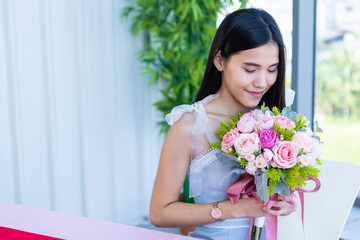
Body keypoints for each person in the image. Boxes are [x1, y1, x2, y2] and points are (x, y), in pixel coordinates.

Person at [149, 8, 296, 240]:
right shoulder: (189, 126)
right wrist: (233, 209)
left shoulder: (273, 123)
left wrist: (285, 203)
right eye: (250, 69)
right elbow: (159, 213)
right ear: (220, 60)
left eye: (272, 69)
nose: (262, 82)